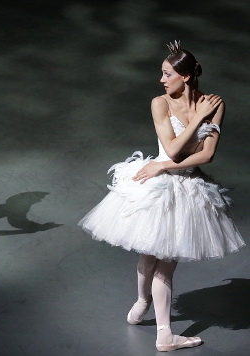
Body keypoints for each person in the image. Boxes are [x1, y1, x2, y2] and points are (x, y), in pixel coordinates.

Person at [79, 41, 245, 352]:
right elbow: (171, 147)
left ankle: (164, 335)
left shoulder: (215, 104)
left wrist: (163, 166)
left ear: (185, 76)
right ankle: (143, 301)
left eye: (167, 74)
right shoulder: (160, 103)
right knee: (149, 253)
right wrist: (196, 121)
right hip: (156, 187)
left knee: (166, 262)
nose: (161, 79)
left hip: (187, 186)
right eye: (162, 73)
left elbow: (207, 155)